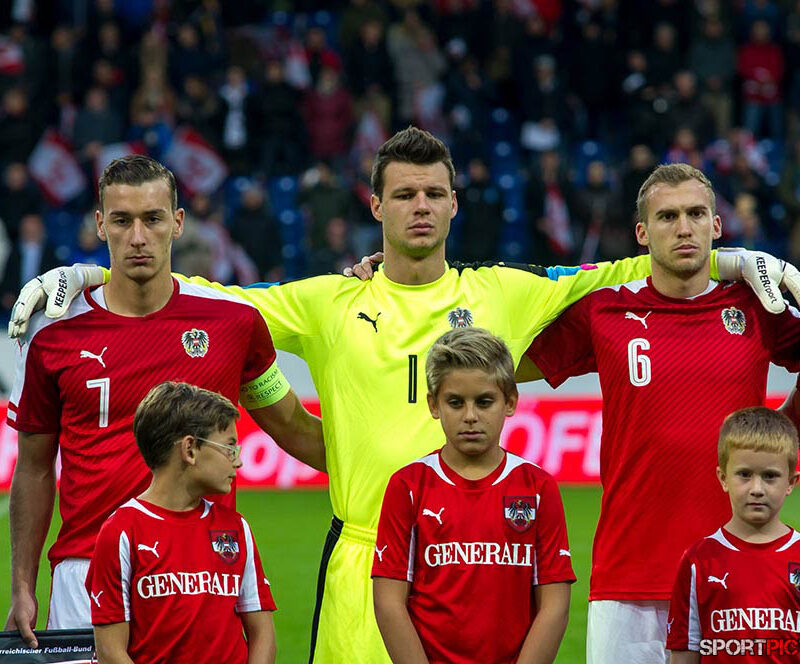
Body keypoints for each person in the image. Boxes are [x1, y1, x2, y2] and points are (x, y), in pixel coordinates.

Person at [8, 130, 799, 663]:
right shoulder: (324, 300)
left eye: (434, 194)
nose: (421, 207)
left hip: (481, 560)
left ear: (456, 204)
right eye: (404, 195)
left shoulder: (509, 293)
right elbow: (212, 296)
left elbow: (636, 270)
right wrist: (87, 277)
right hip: (361, 564)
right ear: (375, 206)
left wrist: (734, 262)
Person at [4, 156, 324, 647]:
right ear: (99, 225)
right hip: (84, 574)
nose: (137, 237)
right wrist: (23, 586)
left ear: (177, 223)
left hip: (199, 572)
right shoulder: (52, 330)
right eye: (121, 220)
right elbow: (33, 467)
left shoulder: (233, 323)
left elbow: (294, 428)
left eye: (152, 219)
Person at [522, 163, 800, 664]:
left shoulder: (759, 307)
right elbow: (507, 366)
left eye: (696, 214)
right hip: (628, 579)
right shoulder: (604, 311)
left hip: (739, 573)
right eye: (668, 216)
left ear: (717, 226)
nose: (684, 227)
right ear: (642, 233)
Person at [372, 328, 574, 664]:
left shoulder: (537, 487)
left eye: (484, 402)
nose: (470, 416)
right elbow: (389, 602)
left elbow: (554, 605)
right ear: (434, 405)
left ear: (509, 402)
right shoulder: (408, 486)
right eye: (455, 402)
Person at [87, 381, 277, 664]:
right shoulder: (122, 532)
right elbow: (111, 651)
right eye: (229, 447)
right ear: (190, 449)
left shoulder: (236, 529)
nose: (238, 462)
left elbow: (262, 634)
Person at [667, 407, 800, 663]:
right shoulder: (699, 561)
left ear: (791, 482)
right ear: (723, 478)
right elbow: (684, 653)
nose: (757, 489)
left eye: (770, 476)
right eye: (744, 475)